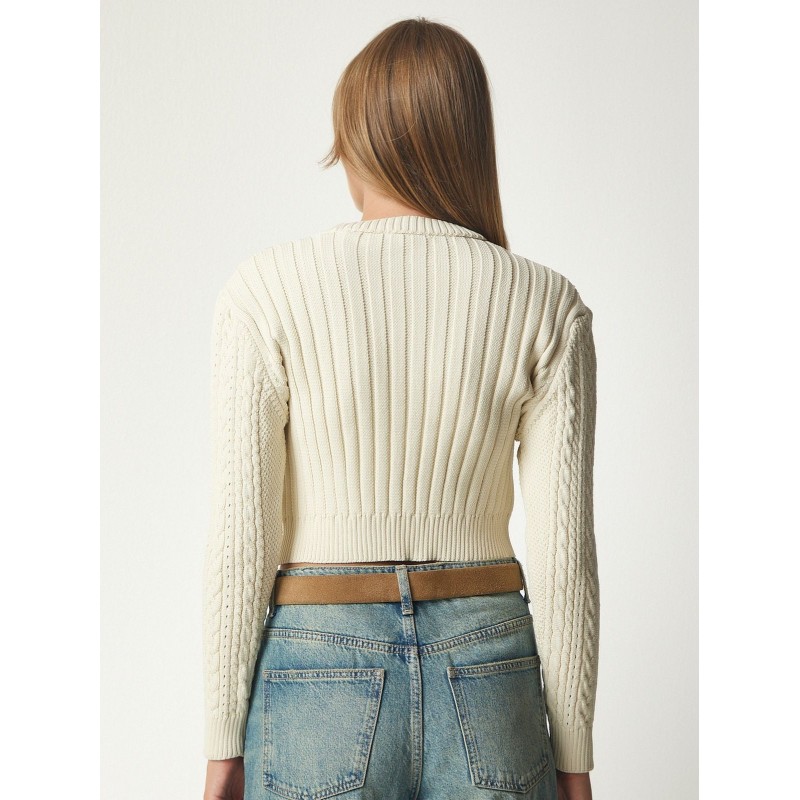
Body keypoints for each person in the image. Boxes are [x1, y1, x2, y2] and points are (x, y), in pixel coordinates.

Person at [202, 16, 599, 800]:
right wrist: (575, 760)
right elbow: (563, 557)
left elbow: (242, 539)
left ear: (355, 143)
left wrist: (220, 745)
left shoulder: (264, 291)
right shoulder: (546, 304)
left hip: (316, 658)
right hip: (489, 657)